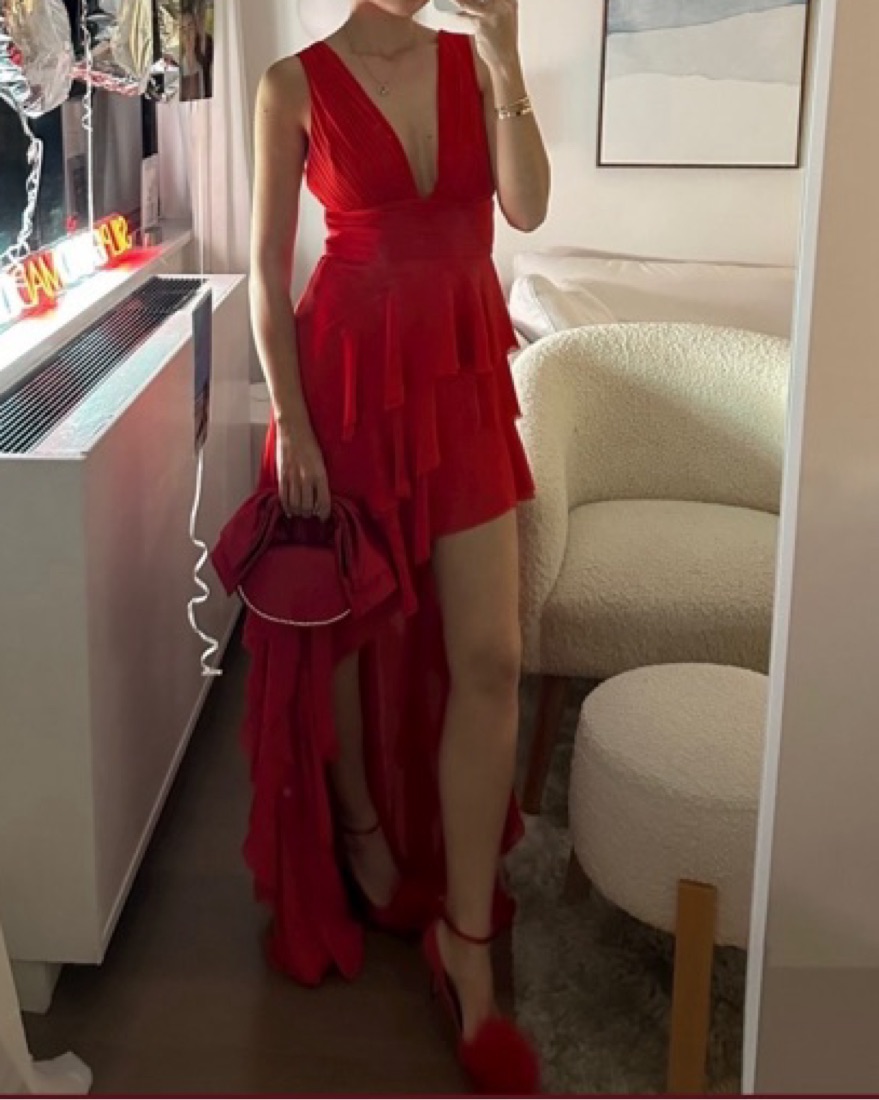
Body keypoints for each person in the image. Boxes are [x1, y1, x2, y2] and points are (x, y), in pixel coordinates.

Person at [249, 0, 550, 1091]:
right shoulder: (291, 83)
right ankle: (365, 834)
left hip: (461, 375)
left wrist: (508, 55)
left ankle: (464, 943)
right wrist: (292, 420)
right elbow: (266, 276)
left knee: (492, 657)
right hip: (344, 378)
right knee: (345, 628)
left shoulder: (475, 61)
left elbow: (526, 205)